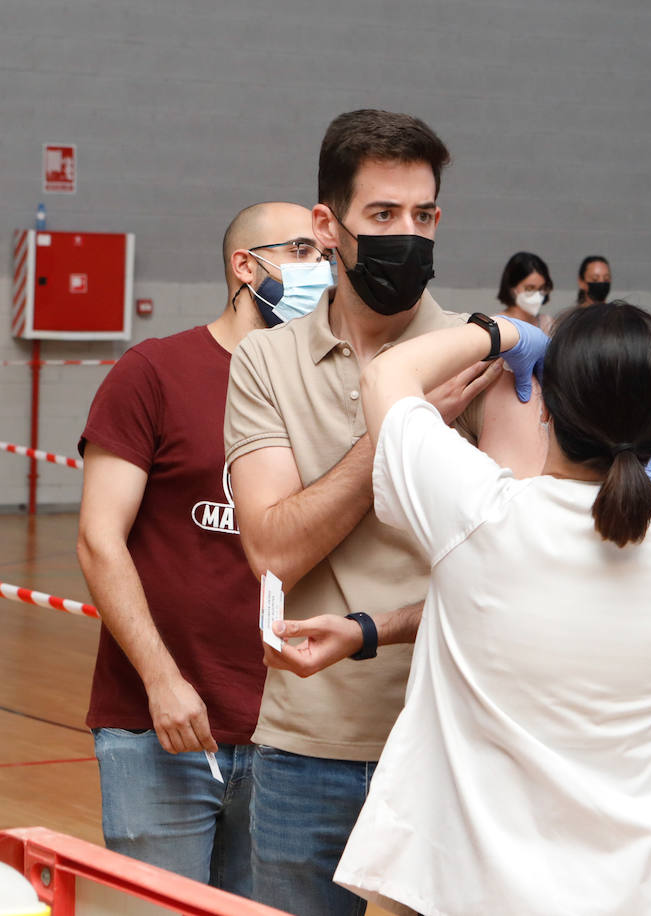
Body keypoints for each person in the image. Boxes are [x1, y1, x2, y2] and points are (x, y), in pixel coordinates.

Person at [253, 304, 651, 914]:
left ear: (546, 405)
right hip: (641, 892)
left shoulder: (478, 510)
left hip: (469, 888)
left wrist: (502, 332)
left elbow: (388, 375)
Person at [223, 110, 537, 916]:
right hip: (305, 746)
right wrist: (401, 426)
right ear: (328, 226)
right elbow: (273, 551)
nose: (409, 236)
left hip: (451, 738)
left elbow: (520, 571)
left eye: (424, 216)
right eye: (384, 216)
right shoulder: (265, 361)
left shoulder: (487, 354)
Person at [75, 202, 323, 894]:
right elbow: (99, 541)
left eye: (325, 254)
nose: (321, 269)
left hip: (285, 737)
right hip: (160, 727)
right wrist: (161, 680)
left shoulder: (322, 388)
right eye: (302, 250)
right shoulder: (153, 371)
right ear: (246, 266)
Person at [495, 250, 553, 330]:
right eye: (529, 288)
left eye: (541, 288)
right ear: (512, 288)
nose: (537, 295)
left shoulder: (548, 324)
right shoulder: (497, 325)